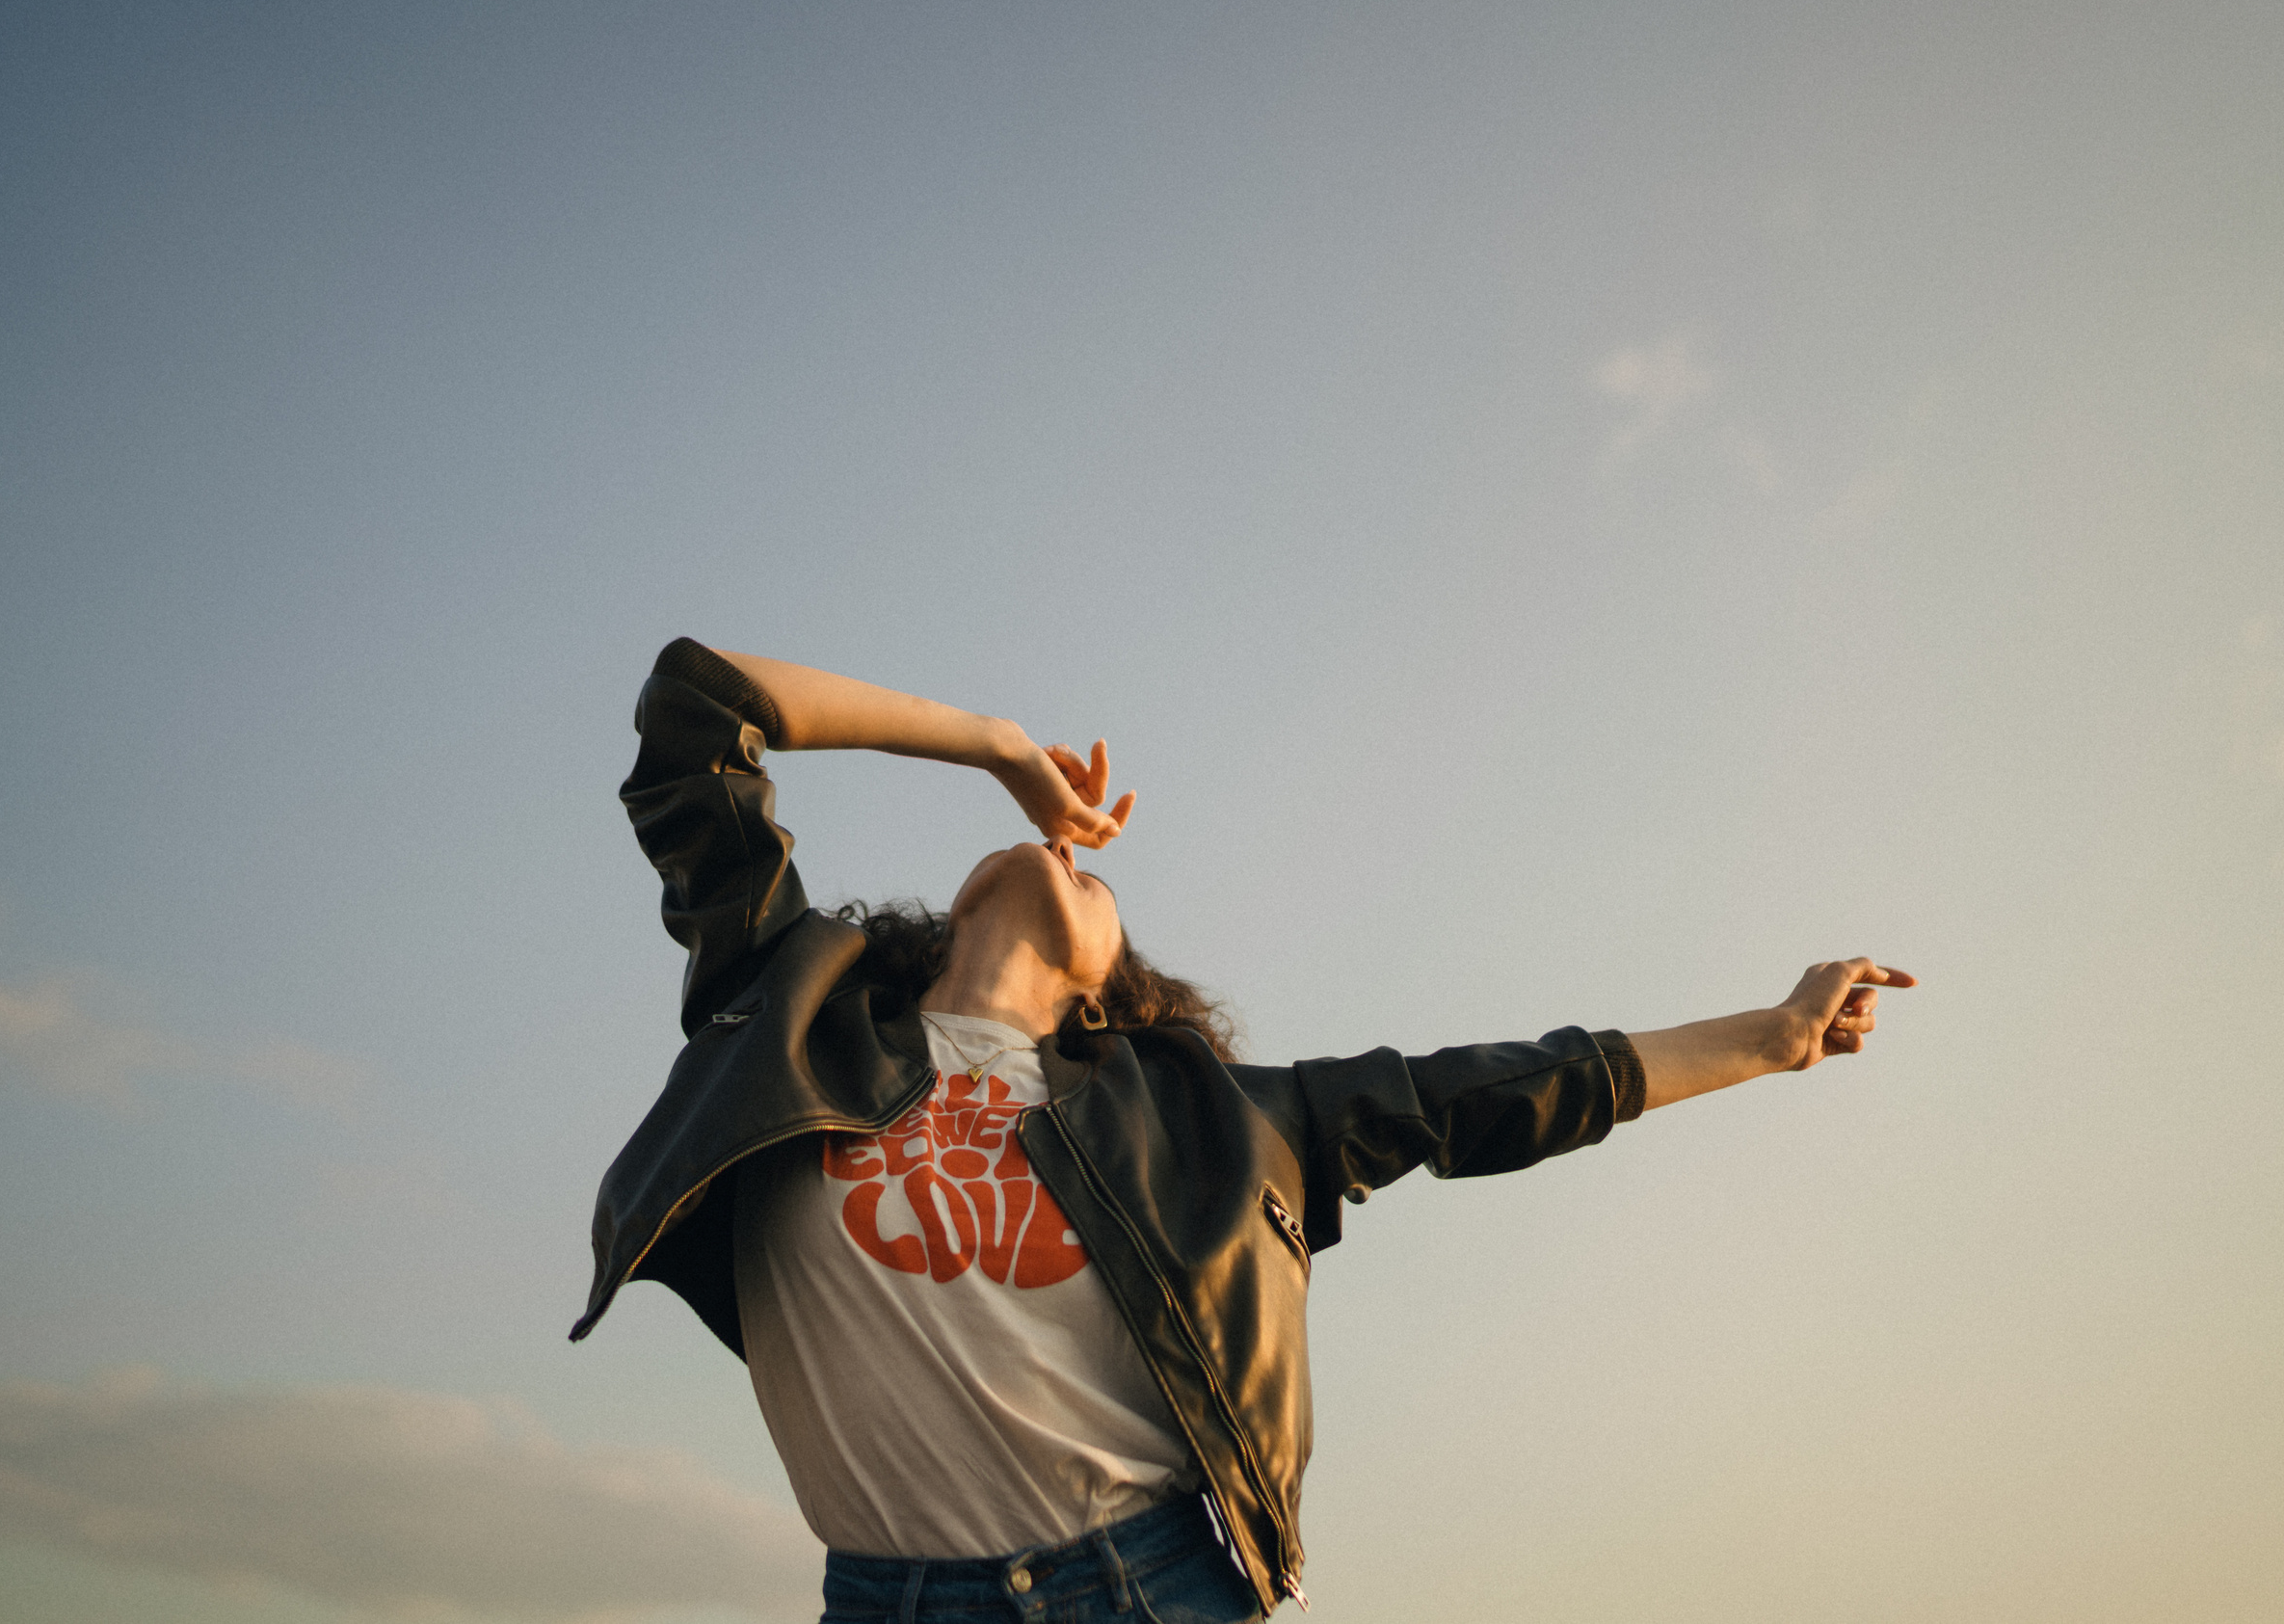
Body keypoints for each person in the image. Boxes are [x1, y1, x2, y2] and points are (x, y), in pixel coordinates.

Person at [572, 638, 1913, 1624]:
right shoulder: (793, 1010)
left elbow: (1499, 1093)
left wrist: (1778, 1036)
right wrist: (993, 743)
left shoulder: (1214, 1124)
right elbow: (699, 711)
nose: (1069, 856)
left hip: (1146, 1591)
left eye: (1099, 880)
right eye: (1039, 847)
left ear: (1106, 987)